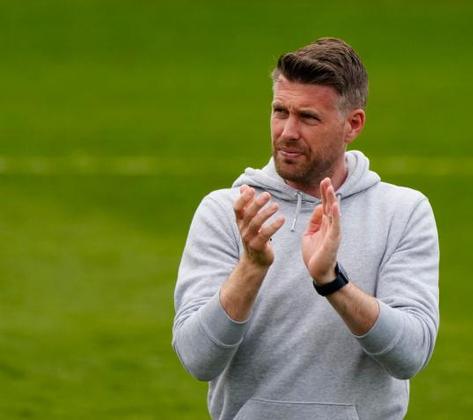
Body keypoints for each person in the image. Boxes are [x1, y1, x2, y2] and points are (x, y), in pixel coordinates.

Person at [173, 37, 439, 420]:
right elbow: (197, 359)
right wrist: (251, 267)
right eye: (280, 111)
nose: (287, 132)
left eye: (308, 118)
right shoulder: (228, 211)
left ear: (352, 124)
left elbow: (410, 355)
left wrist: (332, 282)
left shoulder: (402, 212)